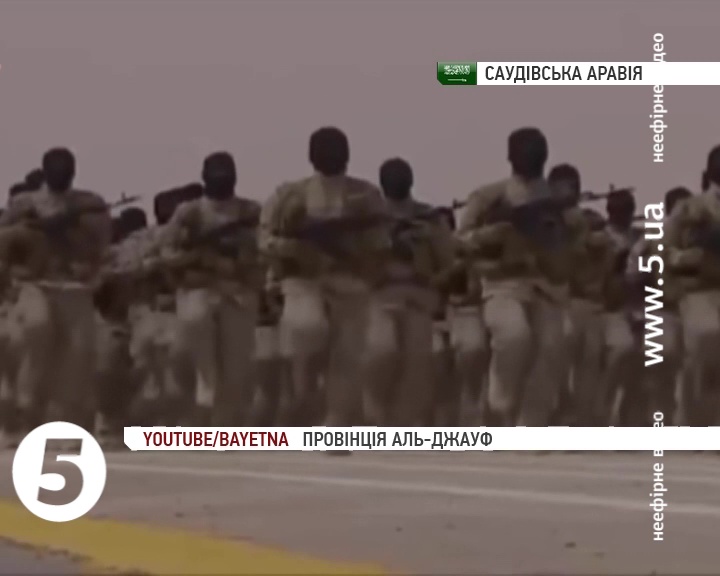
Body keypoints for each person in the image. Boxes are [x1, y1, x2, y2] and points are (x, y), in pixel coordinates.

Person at [260, 127, 390, 441]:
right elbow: (265, 239)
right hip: (303, 281)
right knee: (307, 327)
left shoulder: (366, 195)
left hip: (351, 280)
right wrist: (296, 249)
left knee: (348, 356)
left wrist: (357, 251)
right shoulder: (289, 195)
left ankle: (335, 425)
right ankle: (303, 383)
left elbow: (382, 240)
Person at [457, 128, 581, 426]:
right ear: (510, 156)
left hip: (548, 284)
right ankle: (499, 404)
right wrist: (495, 232)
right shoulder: (489, 197)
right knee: (513, 336)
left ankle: (531, 423)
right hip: (503, 283)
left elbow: (576, 239)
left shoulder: (556, 200)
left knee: (552, 348)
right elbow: (460, 241)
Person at [0, 147, 112, 440]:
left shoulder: (89, 205)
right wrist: (32, 230)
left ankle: (64, 422)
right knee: (37, 328)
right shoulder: (24, 204)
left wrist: (71, 230)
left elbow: (101, 242)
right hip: (34, 284)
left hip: (75, 286)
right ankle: (25, 410)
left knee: (79, 353)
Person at [159, 152, 263, 426]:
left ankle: (223, 425)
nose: (222, 180)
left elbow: (263, 251)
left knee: (236, 367)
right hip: (199, 290)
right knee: (196, 334)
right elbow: (167, 253)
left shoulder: (250, 212)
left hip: (238, 292)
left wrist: (238, 262)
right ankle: (203, 401)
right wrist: (201, 259)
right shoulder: (189, 214)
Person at [362, 158, 455, 426]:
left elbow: (448, 261)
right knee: (382, 351)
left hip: (418, 298)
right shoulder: (369, 220)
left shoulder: (428, 219)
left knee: (415, 368)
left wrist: (429, 278)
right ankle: (374, 417)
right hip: (378, 297)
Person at [667, 146, 720, 425]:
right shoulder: (689, 208)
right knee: (706, 343)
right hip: (699, 291)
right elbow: (665, 248)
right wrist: (688, 257)